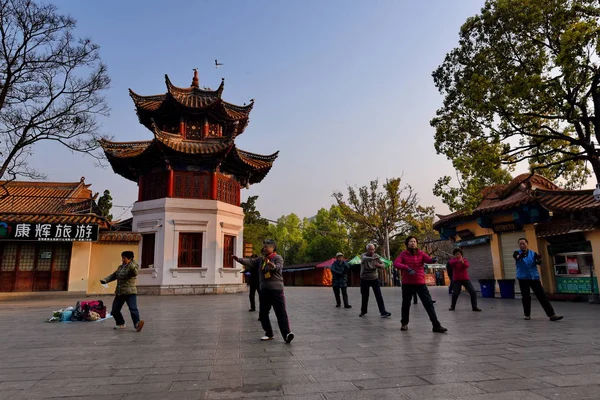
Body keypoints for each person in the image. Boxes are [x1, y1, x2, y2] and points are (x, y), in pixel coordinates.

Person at [234, 239, 295, 343]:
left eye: (267, 246)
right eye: (264, 246)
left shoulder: (277, 258)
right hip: (264, 290)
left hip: (276, 290)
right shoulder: (261, 259)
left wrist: (273, 266)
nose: (264, 248)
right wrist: (238, 259)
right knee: (263, 313)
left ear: (273, 248)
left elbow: (279, 268)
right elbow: (250, 261)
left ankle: (287, 334)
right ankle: (269, 333)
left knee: (281, 313)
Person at [394, 236, 447, 333]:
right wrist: (407, 268)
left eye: (414, 241)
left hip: (420, 283)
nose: (413, 243)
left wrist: (433, 260)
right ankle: (404, 323)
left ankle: (436, 325)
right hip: (407, 283)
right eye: (411, 241)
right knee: (406, 304)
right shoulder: (403, 254)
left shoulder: (421, 253)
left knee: (428, 304)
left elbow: (428, 260)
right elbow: (396, 263)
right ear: (407, 243)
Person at [514, 238, 563, 322]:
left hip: (534, 278)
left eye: (523, 243)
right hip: (523, 279)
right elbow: (517, 257)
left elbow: (538, 262)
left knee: (542, 296)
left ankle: (552, 315)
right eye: (520, 244)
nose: (522, 245)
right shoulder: (516, 253)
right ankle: (527, 315)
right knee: (526, 297)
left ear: (527, 243)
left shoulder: (533, 253)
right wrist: (520, 256)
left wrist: (538, 260)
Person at [100, 251, 144, 332]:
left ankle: (137, 324)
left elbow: (135, 273)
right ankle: (120, 323)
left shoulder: (133, 266)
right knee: (114, 310)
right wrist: (105, 280)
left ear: (130, 258)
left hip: (130, 292)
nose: (122, 259)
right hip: (120, 292)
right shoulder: (120, 267)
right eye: (122, 257)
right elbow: (114, 275)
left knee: (133, 309)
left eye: (124, 258)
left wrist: (131, 264)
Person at [359, 243, 391, 318]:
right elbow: (364, 259)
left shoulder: (376, 256)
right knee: (365, 296)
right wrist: (373, 258)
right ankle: (363, 311)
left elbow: (383, 264)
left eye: (373, 249)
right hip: (364, 278)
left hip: (374, 278)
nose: (372, 251)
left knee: (379, 295)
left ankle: (383, 312)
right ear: (367, 250)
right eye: (370, 249)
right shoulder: (363, 255)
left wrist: (380, 266)